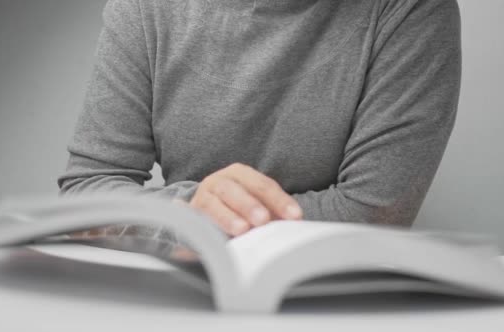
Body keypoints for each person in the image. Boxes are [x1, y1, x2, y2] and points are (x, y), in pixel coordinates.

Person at [58, 0, 462, 237]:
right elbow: (84, 195)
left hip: (334, 302)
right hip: (181, 288)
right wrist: (189, 211)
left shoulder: (410, 9)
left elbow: (374, 214)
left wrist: (200, 220)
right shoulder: (145, 8)